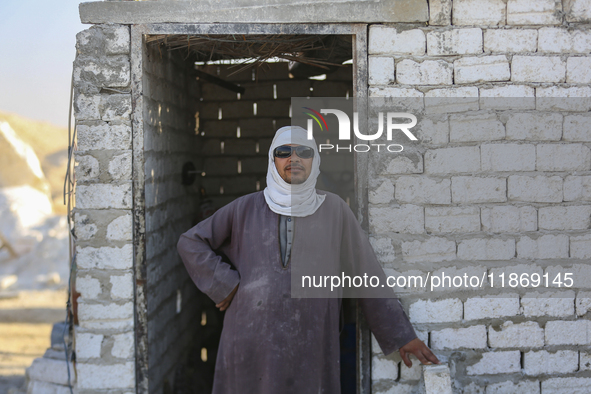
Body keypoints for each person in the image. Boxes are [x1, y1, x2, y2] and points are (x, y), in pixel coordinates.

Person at [177, 126, 439, 394]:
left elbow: (365, 272)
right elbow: (191, 242)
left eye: (304, 152)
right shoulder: (245, 208)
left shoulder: (334, 210)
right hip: (250, 339)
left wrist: (401, 335)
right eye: (283, 152)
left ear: (314, 160)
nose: (294, 159)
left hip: (312, 339)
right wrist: (226, 284)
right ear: (273, 159)